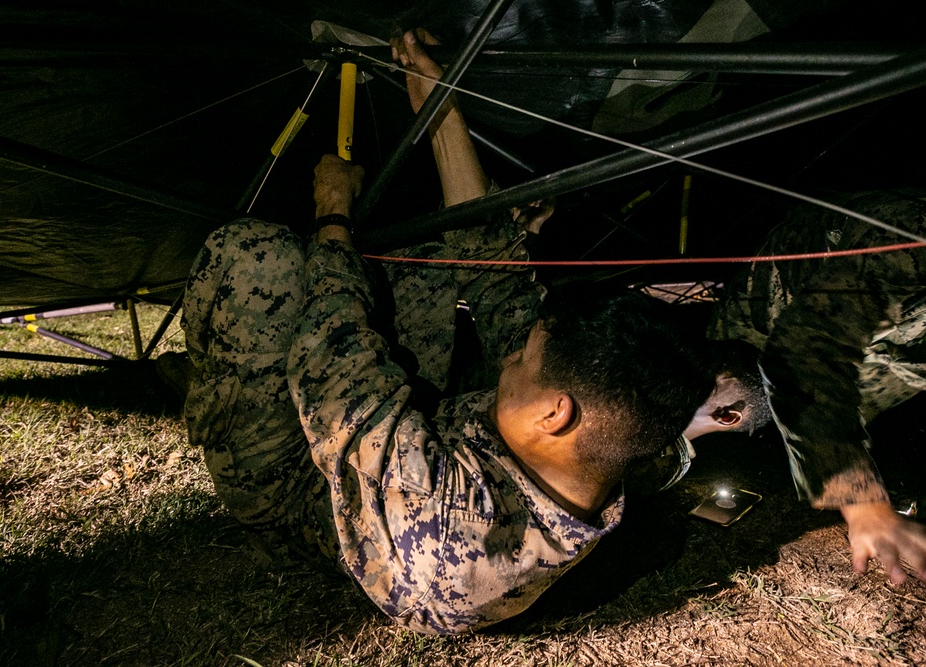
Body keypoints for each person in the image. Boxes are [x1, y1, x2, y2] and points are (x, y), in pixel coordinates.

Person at [173, 30, 714, 634]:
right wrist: (438, 102)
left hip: (297, 482)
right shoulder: (601, 443)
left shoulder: (438, 521)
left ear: (555, 415)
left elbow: (330, 354)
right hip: (419, 430)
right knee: (420, 271)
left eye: (523, 363)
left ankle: (218, 397)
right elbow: (497, 279)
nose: (507, 363)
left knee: (256, 257)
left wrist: (334, 212)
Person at [709, 190, 926, 584]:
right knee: (721, 408)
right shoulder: (910, 236)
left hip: (894, 346)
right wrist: (863, 504)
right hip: (774, 320)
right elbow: (804, 352)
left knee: (844, 410)